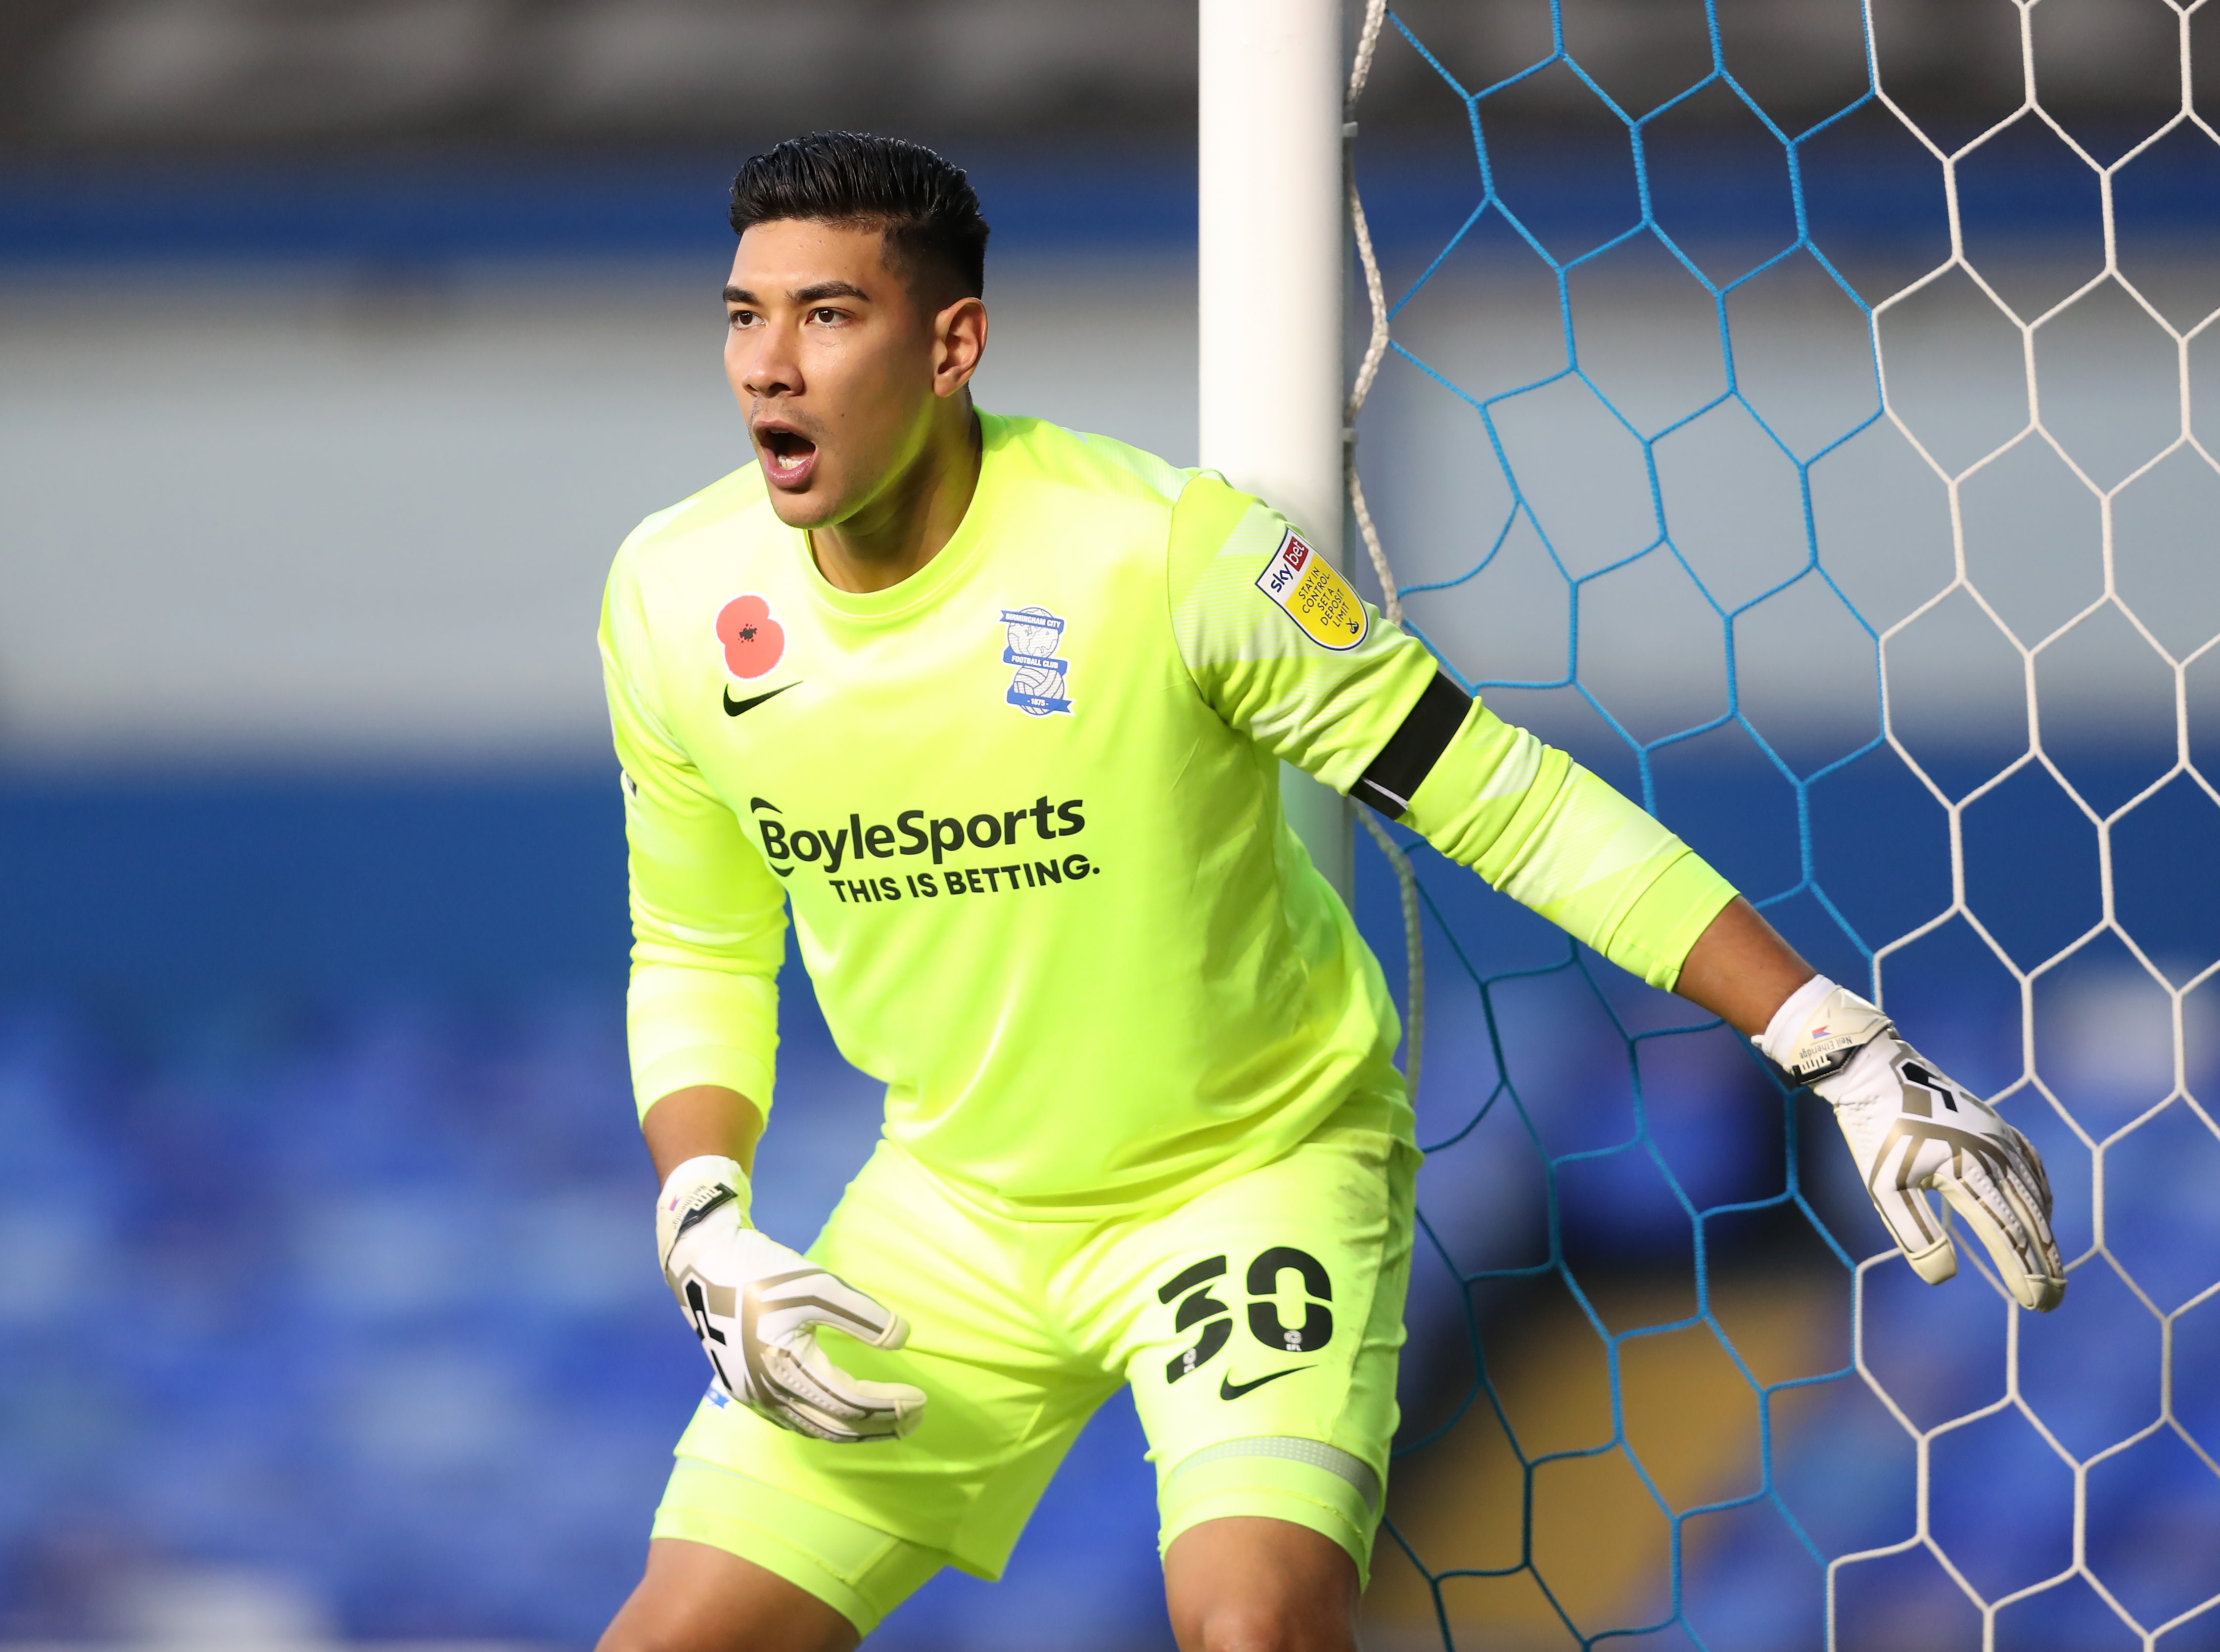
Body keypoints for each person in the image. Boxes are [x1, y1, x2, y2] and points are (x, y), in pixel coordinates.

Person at [593, 131, 2064, 1652]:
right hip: (957, 1211)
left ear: (953, 341)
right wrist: (702, 1213)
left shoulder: (1164, 555)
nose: (769, 364)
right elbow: (696, 942)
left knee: (1254, 1621)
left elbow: (1503, 795)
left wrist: (1826, 1033)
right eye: (743, 316)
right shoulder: (672, 595)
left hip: (1247, 1179)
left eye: (826, 316)